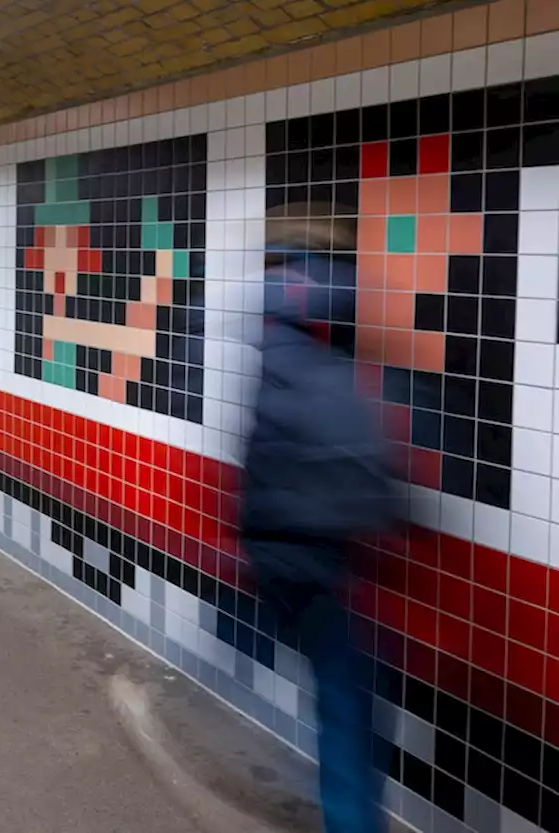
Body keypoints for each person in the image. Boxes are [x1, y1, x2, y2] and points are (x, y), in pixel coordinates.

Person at [239, 203, 398, 833]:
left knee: (341, 700)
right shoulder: (320, 353)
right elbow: (354, 458)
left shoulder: (274, 346)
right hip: (321, 555)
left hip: (280, 544)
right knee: (349, 707)